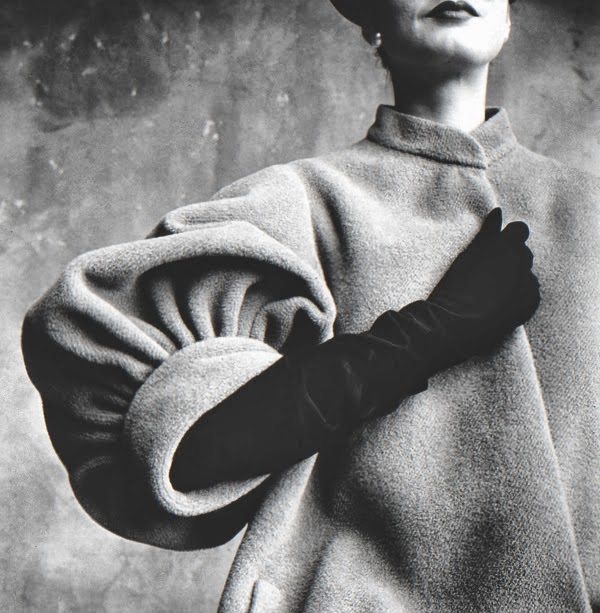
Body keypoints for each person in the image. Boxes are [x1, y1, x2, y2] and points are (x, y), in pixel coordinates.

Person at [21, 0, 600, 611]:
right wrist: (429, 333)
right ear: (371, 21)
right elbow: (182, 448)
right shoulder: (297, 201)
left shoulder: (590, 212)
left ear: (508, 19)